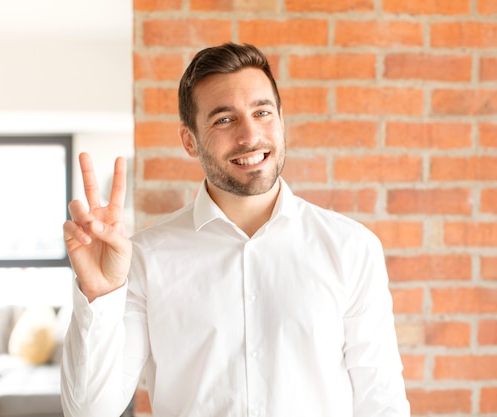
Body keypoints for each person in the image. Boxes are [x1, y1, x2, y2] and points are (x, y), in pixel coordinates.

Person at [61, 42, 410, 417]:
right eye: (224, 119)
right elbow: (89, 412)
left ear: (280, 119)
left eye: (262, 112)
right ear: (189, 141)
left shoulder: (352, 247)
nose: (250, 136)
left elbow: (381, 402)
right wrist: (99, 294)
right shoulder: (144, 257)